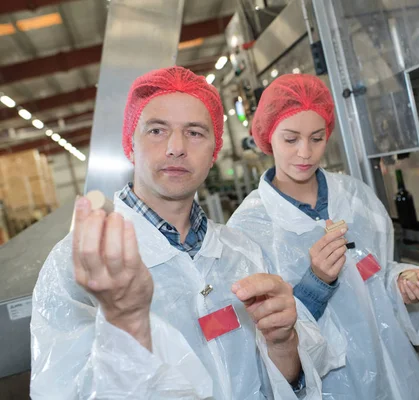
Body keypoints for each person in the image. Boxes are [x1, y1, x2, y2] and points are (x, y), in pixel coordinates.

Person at [30, 67, 340, 399]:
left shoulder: (244, 252)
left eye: (194, 133)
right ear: (129, 145)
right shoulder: (78, 265)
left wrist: (284, 343)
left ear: (214, 152)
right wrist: (125, 325)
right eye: (157, 130)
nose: (176, 147)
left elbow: (287, 380)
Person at [228, 74, 419, 400]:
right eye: (290, 139)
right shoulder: (249, 227)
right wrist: (317, 281)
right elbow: (265, 335)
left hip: (398, 372)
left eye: (317, 138)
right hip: (335, 388)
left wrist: (401, 282)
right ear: (267, 137)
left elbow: (376, 273)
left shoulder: (355, 196)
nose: (305, 153)